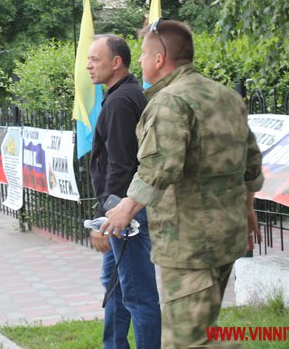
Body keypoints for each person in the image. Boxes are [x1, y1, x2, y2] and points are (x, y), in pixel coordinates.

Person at [101, 19, 263, 348]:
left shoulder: (168, 102)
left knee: (187, 341)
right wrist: (248, 211)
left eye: (145, 55)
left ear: (159, 59)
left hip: (189, 244)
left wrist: (125, 209)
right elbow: (251, 163)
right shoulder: (227, 97)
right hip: (226, 236)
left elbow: (159, 167)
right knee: (203, 330)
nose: (142, 62)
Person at [87, 34, 161, 349]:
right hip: (123, 211)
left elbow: (121, 166)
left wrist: (106, 219)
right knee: (115, 288)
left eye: (95, 59)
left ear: (116, 63)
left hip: (124, 215)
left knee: (137, 294)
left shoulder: (119, 102)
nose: (88, 65)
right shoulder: (127, 93)